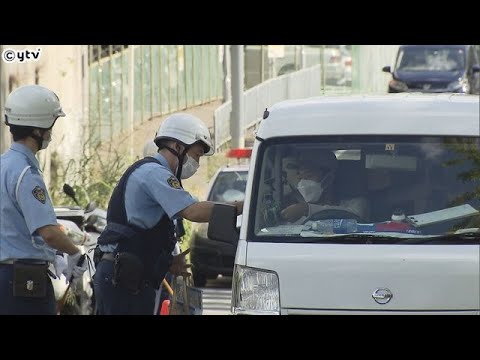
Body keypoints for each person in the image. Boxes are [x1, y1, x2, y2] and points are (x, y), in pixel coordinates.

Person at [94, 113, 243, 315]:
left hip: (130, 274)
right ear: (178, 147)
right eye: (197, 155)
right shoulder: (154, 173)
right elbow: (192, 211)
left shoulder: (154, 173)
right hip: (123, 277)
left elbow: (143, 233)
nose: (196, 163)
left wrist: (168, 262)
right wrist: (242, 206)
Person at [0, 85, 88, 315]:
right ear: (39, 130)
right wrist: (74, 252)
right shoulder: (26, 173)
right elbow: (48, 231)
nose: (51, 133)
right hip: (23, 283)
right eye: (51, 125)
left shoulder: (4, 165)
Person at [280, 150, 367, 224]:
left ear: (328, 179)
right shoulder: (294, 211)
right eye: (300, 177)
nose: (303, 183)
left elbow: (355, 216)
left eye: (308, 176)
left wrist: (307, 209)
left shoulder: (356, 203)